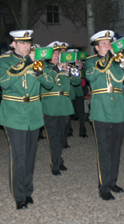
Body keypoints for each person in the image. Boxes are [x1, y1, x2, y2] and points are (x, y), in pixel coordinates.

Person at [0, 30, 54, 210]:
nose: (27, 46)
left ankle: (28, 190)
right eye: (22, 43)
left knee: (30, 155)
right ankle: (19, 195)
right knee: (18, 155)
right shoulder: (3, 61)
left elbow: (49, 84)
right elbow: (3, 82)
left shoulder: (38, 61)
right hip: (13, 112)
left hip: (34, 112)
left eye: (28, 43)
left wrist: (39, 71)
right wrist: (24, 65)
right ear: (13, 44)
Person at [84, 30, 124, 201]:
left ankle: (113, 181)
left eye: (110, 43)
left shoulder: (117, 62)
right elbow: (91, 76)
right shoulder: (91, 61)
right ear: (97, 47)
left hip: (118, 109)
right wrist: (108, 59)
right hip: (101, 109)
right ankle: (104, 186)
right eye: (105, 44)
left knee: (115, 149)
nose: (108, 46)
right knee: (104, 150)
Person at [42, 41, 81, 176]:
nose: (58, 55)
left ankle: (59, 160)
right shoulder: (44, 68)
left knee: (61, 136)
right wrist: (58, 68)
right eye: (55, 52)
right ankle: (55, 163)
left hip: (64, 105)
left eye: (60, 52)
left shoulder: (66, 67)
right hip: (50, 105)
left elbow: (76, 82)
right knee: (53, 136)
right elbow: (47, 83)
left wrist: (75, 69)